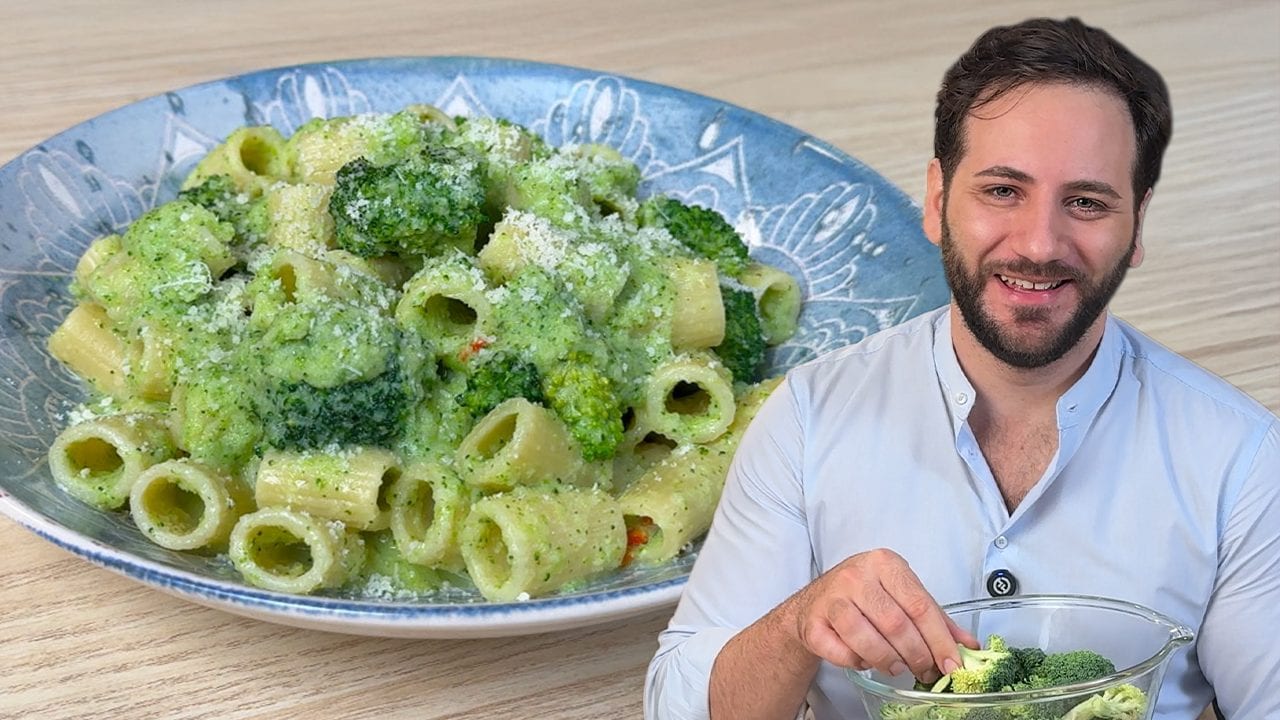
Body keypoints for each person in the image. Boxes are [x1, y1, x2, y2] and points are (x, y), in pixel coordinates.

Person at [644, 16, 1279, 720]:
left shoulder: (1241, 462)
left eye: (1087, 202)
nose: (1039, 243)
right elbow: (680, 705)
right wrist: (800, 622)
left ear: (1136, 226)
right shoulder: (809, 417)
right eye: (1003, 190)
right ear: (939, 201)